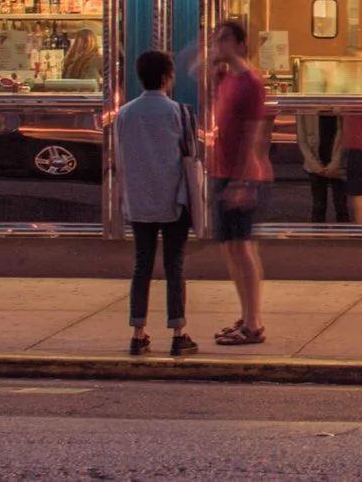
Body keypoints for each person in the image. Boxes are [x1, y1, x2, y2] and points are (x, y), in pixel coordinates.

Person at [107, 49, 196, 355]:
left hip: (139, 201)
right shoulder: (179, 113)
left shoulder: (124, 114)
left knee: (141, 265)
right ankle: (178, 333)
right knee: (175, 265)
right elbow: (191, 155)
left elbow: (119, 157)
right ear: (167, 78)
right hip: (173, 201)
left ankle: (138, 333)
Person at [206, 18, 271, 345]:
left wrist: (242, 181)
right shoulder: (225, 78)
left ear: (241, 45)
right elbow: (194, 71)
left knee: (243, 248)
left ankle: (253, 322)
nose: (218, 44)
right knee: (231, 248)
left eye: (225, 39)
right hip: (222, 171)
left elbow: (252, 136)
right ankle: (246, 316)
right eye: (217, 39)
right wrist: (211, 57)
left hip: (241, 175)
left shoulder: (250, 83)